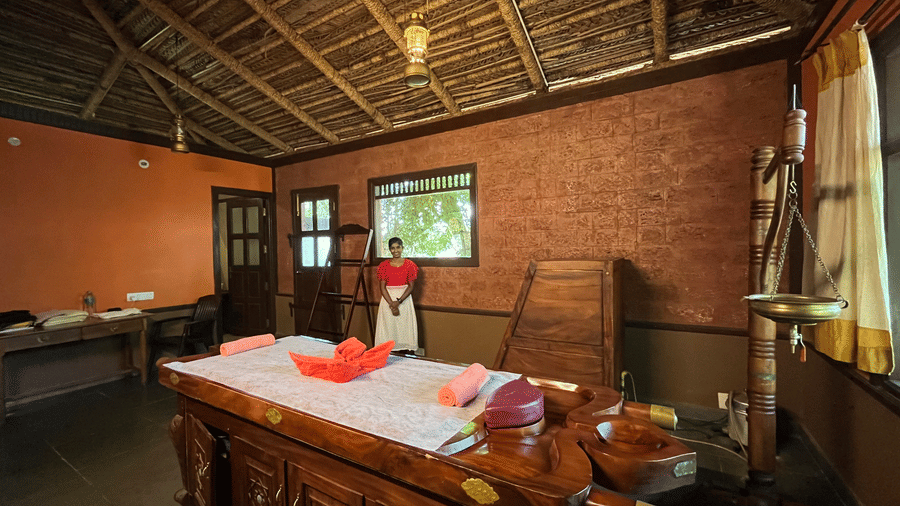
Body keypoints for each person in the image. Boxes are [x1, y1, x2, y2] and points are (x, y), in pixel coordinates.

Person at [375, 237, 418, 353]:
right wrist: (392, 304)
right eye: (392, 248)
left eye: (398, 247)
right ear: (389, 250)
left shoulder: (410, 265)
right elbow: (382, 288)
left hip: (404, 300)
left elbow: (411, 286)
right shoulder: (383, 266)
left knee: (404, 328)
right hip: (388, 300)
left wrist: (398, 302)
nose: (395, 250)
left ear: (402, 248)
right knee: (388, 328)